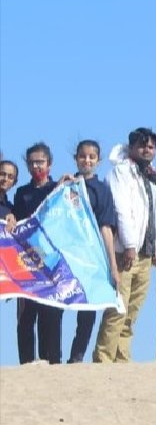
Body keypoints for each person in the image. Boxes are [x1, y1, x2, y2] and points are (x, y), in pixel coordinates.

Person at [94, 128, 156, 363]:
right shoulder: (121, 171)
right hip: (125, 251)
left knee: (132, 312)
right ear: (132, 147)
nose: (147, 149)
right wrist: (130, 245)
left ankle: (122, 359)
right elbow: (122, 209)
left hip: (146, 255)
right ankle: (103, 359)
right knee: (117, 309)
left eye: (152, 146)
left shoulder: (152, 176)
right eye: (143, 145)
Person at [64, 140, 119, 363]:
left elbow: (106, 227)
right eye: (83, 156)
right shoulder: (66, 186)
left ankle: (76, 357)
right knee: (55, 306)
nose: (87, 160)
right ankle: (51, 357)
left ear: (98, 160)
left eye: (92, 157)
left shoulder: (102, 190)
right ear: (76, 158)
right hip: (67, 255)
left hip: (93, 258)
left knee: (87, 311)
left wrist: (113, 265)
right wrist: (61, 186)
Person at [13, 143, 62, 364]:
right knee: (25, 316)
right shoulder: (21, 193)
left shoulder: (58, 189)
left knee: (50, 315)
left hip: (51, 261)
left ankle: (51, 359)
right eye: (32, 162)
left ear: (49, 164)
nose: (36, 166)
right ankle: (26, 362)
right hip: (26, 262)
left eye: (40, 162)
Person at [0, 159, 18, 224]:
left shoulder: (11, 209)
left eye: (10, 177)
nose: (5, 179)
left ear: (14, 182)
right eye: (2, 174)